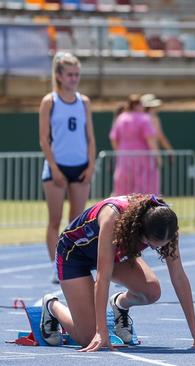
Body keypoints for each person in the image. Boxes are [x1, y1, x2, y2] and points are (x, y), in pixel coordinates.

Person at [39, 194, 195, 351]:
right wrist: (101, 332)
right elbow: (103, 277)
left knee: (152, 291)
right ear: (139, 230)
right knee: (87, 338)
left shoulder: (166, 224)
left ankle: (120, 304)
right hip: (74, 254)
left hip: (114, 252)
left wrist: (194, 328)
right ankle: (51, 306)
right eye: (154, 244)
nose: (158, 249)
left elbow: (178, 275)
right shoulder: (113, 218)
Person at [39, 52, 96, 284]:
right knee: (55, 219)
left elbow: (90, 137)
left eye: (77, 74)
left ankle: (72, 265)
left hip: (81, 166)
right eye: (70, 74)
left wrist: (91, 165)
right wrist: (54, 167)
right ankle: (56, 267)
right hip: (57, 167)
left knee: (77, 222)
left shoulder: (84, 102)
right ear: (59, 76)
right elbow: (44, 139)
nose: (74, 79)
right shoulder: (49, 101)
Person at [109, 95, 159, 196]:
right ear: (138, 105)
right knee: (143, 188)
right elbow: (150, 140)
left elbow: (113, 138)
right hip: (143, 159)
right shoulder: (145, 118)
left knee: (123, 187)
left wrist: (119, 153)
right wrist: (157, 156)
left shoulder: (121, 118)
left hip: (124, 159)